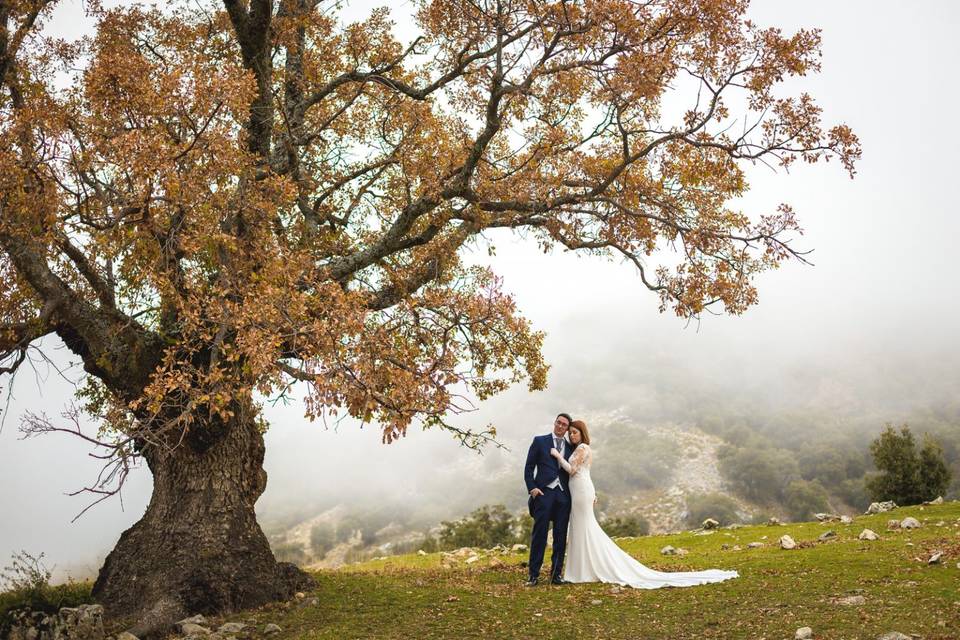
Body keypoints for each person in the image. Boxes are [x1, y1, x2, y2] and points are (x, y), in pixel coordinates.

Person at [551, 420, 739, 588]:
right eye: (571, 433)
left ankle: (582, 571)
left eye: (575, 432)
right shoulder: (582, 448)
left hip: (581, 490)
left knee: (583, 526)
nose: (571, 435)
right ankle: (582, 570)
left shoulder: (582, 448)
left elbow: (573, 470)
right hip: (581, 490)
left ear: (582, 433)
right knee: (581, 527)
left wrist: (558, 457)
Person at [523, 412, 574, 586]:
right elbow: (529, 468)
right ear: (555, 423)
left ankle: (556, 575)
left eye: (564, 425)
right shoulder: (540, 441)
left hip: (563, 497)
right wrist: (532, 489)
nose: (560, 426)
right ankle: (533, 575)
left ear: (567, 429)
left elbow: (574, 472)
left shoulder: (570, 447)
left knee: (560, 536)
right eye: (558, 422)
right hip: (543, 494)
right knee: (539, 535)